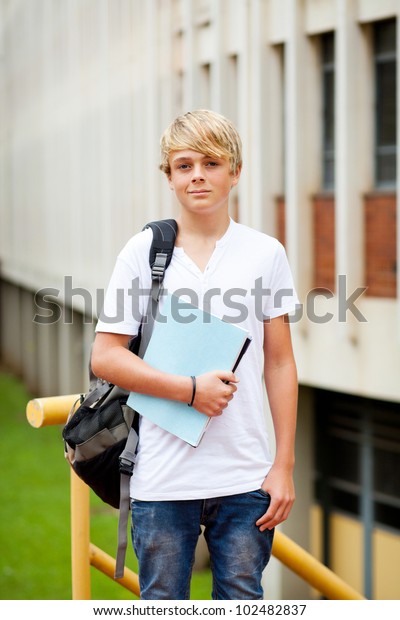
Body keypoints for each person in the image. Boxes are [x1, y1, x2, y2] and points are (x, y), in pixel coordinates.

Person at [92, 109, 298, 600]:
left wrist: (283, 465)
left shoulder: (265, 253)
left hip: (246, 477)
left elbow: (280, 363)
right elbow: (105, 356)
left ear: (236, 172)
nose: (198, 175)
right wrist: (189, 391)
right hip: (160, 479)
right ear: (169, 177)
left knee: (243, 602)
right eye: (184, 165)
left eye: (211, 162)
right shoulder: (143, 253)